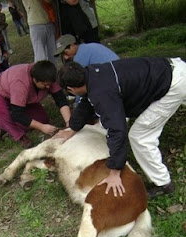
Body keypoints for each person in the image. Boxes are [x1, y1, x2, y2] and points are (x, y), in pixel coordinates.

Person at [56, 58, 186, 198]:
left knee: (140, 137)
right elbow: (87, 102)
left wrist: (115, 171)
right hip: (170, 67)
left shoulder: (102, 94)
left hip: (173, 84)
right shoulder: (91, 74)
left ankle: (164, 184)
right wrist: (72, 128)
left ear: (71, 89)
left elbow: (117, 130)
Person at [0, 60, 71, 148]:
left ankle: (5, 124)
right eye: (45, 85)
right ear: (35, 79)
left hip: (20, 95)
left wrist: (68, 122)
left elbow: (61, 99)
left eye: (49, 85)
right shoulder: (21, 84)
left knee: (42, 119)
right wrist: (42, 127)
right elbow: (17, 114)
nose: (48, 87)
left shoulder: (48, 76)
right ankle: (19, 135)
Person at [22, 0, 56, 64]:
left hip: (46, 22)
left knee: (52, 54)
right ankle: (41, 73)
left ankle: (52, 72)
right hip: (36, 24)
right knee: (41, 56)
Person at [54, 34, 119, 65]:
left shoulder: (80, 56)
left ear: (73, 45)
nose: (65, 57)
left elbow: (79, 79)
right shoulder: (86, 47)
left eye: (66, 53)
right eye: (63, 55)